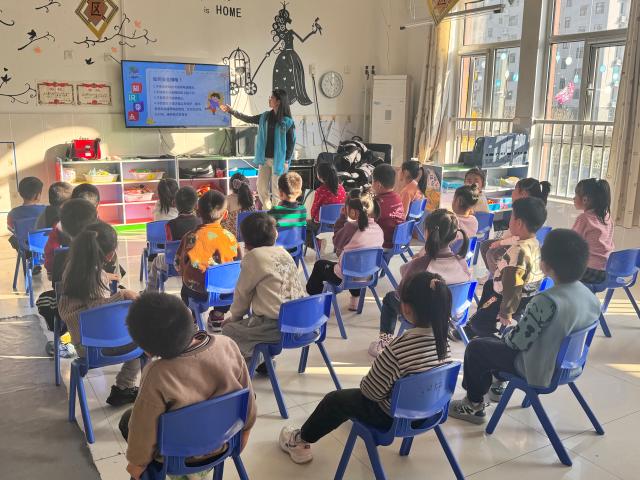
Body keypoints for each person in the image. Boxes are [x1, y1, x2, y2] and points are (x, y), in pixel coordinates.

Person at [279, 271, 452, 464]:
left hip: (390, 419)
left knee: (334, 400)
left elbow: (370, 393)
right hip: (429, 413)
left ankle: (300, 440)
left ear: (407, 309)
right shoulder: (444, 341)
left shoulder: (398, 348)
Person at [448, 229, 601, 424]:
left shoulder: (546, 301)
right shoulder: (590, 297)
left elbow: (516, 343)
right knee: (499, 340)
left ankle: (473, 404)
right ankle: (497, 386)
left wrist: (507, 334)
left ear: (545, 265)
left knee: (477, 348)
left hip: (538, 369)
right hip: (568, 365)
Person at [118, 293, 257, 480]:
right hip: (225, 442)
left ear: (147, 350)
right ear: (190, 318)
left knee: (127, 420)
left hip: (179, 459)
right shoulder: (228, 345)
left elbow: (143, 430)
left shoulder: (156, 374)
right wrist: (245, 431)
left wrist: (137, 463)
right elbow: (248, 399)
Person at [57, 221, 140, 406]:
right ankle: (125, 387)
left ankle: (124, 388)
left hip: (83, 344)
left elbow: (92, 299)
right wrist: (123, 294)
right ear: (110, 255)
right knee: (146, 341)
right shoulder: (98, 276)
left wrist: (107, 279)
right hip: (98, 348)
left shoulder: (71, 268)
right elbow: (99, 310)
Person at [368, 209, 472, 356]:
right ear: (455, 236)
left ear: (427, 233)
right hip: (452, 315)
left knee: (390, 299)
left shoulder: (420, 264)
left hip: (423, 318)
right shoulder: (462, 262)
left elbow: (402, 293)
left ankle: (384, 343)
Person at [222, 213, 306, 361]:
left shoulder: (253, 257)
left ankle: (256, 362)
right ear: (275, 235)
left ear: (246, 242)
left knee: (229, 330)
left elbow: (242, 293)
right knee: (254, 317)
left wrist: (235, 317)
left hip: (276, 327)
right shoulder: (283, 252)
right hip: (302, 320)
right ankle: (263, 362)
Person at [465, 197, 547, 340]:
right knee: (489, 286)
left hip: (511, 297)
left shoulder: (517, 253)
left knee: (479, 323)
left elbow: (513, 285)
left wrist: (506, 312)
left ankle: (489, 333)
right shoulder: (533, 242)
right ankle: (481, 317)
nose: (509, 221)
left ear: (519, 223)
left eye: (511, 217)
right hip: (528, 294)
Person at [306, 188, 384, 312]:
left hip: (344, 276)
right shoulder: (378, 229)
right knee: (357, 264)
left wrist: (342, 217)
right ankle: (355, 301)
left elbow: (336, 241)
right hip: (367, 275)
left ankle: (315, 299)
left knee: (320, 265)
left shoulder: (351, 227)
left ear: (353, 212)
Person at [175, 190, 240, 330]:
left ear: (198, 213)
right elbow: (238, 263)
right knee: (230, 283)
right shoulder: (230, 237)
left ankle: (194, 316)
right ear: (225, 215)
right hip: (225, 291)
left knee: (185, 289)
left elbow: (178, 263)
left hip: (197, 291)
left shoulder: (190, 237)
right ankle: (218, 315)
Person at [220, 89, 296, 209]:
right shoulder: (265, 116)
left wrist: (286, 160)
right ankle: (267, 209)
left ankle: (275, 213)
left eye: (272, 97)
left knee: (276, 190)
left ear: (278, 101)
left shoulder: (288, 122)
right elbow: (248, 119)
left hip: (279, 161)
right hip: (264, 159)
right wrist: (231, 111)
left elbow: (291, 142)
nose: (269, 99)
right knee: (261, 187)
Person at [146, 186, 201, 292]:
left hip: (174, 265)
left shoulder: (170, 225)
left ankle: (150, 292)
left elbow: (170, 247)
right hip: (195, 264)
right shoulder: (200, 222)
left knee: (156, 261)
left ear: (174, 204)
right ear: (196, 205)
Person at [44, 198, 98, 281]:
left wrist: (50, 272)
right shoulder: (99, 246)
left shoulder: (60, 257)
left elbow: (50, 252)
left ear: (63, 227)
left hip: (62, 285)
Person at [572, 178, 614, 284]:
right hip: (607, 270)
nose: (574, 198)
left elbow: (570, 243)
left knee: (556, 265)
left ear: (585, 200)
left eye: (576, 195)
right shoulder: (607, 217)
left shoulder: (584, 219)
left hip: (590, 271)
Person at [308, 163, 346, 251]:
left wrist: (311, 218)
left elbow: (314, 210)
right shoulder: (342, 189)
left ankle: (316, 245)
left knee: (305, 226)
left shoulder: (320, 191)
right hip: (339, 222)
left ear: (320, 176)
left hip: (321, 224)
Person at [7, 176, 46, 253]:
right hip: (44, 246)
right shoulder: (46, 210)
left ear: (20, 193)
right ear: (38, 195)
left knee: (13, 239)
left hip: (25, 248)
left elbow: (10, 228)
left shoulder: (13, 212)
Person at [371, 164, 404, 249]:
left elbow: (365, 223)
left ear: (378, 185)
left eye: (372, 181)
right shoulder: (397, 197)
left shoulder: (377, 203)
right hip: (399, 241)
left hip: (383, 244)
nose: (371, 184)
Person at [222, 172, 255, 239]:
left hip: (231, 236)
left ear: (231, 186)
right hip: (247, 234)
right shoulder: (251, 198)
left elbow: (221, 218)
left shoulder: (227, 199)